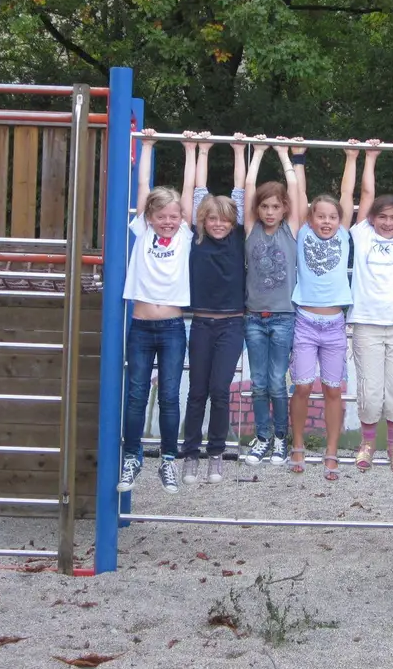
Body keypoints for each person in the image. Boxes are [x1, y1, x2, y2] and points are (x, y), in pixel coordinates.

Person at [118, 129, 200, 495]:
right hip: (140, 325)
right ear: (149, 216)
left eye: (173, 216)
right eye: (161, 215)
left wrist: (190, 150)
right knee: (136, 395)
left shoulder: (184, 235)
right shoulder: (142, 230)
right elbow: (143, 185)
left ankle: (168, 459)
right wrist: (147, 145)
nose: (168, 221)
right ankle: (132, 457)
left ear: (181, 218)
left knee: (168, 395)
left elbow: (188, 190)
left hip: (171, 327)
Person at [180, 137, 248, 486]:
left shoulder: (238, 237)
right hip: (202, 324)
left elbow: (240, 191)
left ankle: (216, 453)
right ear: (202, 221)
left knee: (220, 391)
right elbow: (196, 191)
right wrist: (199, 150)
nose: (218, 224)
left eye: (224, 220)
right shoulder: (197, 237)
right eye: (212, 220)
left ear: (233, 222)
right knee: (197, 391)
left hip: (232, 325)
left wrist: (239, 150)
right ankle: (191, 454)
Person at [347, 144, 393, 474]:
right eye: (382, 217)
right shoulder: (362, 235)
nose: (388, 223)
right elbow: (366, 193)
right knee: (371, 389)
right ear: (372, 218)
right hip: (367, 321)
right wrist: (370, 157)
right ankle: (367, 444)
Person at [289, 144, 359, 480]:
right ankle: (298, 445)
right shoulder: (302, 232)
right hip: (305, 321)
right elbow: (299, 194)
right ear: (310, 218)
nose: (327, 221)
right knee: (302, 387)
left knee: (333, 390)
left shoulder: (344, 234)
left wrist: (352, 157)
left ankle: (331, 450)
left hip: (334, 324)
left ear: (339, 220)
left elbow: (347, 193)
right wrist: (298, 158)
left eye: (332, 216)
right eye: (321, 216)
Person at [240, 138, 302, 467]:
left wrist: (282, 154)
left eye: (275, 207)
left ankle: (280, 438)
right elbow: (249, 187)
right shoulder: (251, 230)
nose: (269, 212)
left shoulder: (290, 231)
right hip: (254, 317)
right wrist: (259, 152)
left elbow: (294, 188)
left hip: (283, 317)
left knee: (278, 381)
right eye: (264, 207)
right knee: (259, 383)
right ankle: (262, 437)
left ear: (284, 209)